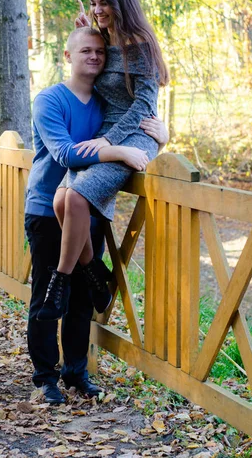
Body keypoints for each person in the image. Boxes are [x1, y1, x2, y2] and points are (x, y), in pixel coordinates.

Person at [25, 25, 167, 404]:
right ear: (67, 57)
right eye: (85, 51)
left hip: (88, 209)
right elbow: (66, 154)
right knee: (48, 295)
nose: (93, 56)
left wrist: (162, 134)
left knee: (80, 300)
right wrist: (117, 152)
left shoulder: (107, 104)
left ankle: (75, 372)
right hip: (45, 208)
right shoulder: (50, 100)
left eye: (100, 52)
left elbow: (138, 125)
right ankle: (45, 377)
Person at [37, 0, 169, 322]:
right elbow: (87, 58)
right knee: (61, 199)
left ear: (120, 2)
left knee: (77, 197)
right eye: (94, 3)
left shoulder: (140, 44)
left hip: (134, 134)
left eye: (104, 3)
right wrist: (88, 31)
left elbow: (143, 105)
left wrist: (113, 140)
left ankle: (61, 281)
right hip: (106, 133)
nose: (98, 9)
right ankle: (95, 274)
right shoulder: (106, 39)